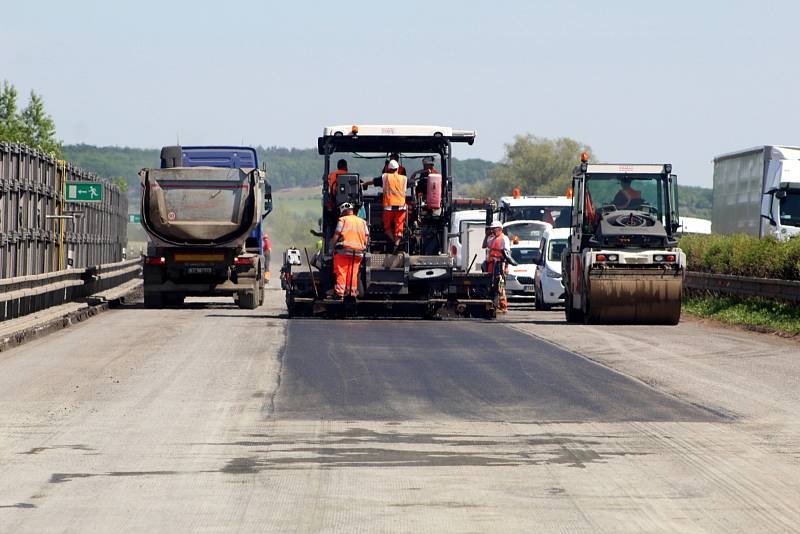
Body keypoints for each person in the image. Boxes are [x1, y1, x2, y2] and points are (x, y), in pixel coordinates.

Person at [366, 159, 409, 252]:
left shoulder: (385, 177)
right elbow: (411, 183)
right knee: (399, 228)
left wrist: (364, 184)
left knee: (387, 227)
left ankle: (394, 242)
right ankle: (396, 245)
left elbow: (374, 182)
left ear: (388, 169)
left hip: (388, 207)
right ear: (398, 169)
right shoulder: (404, 179)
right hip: (401, 207)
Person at [329, 202, 369, 298]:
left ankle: (339, 293)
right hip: (358, 252)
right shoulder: (362, 222)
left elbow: (337, 234)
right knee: (353, 272)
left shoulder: (342, 220)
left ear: (343, 211)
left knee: (341, 271)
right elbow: (366, 237)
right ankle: (351, 293)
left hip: (344, 251)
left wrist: (332, 247)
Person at [483, 221, 511, 312]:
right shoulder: (492, 238)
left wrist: (506, 267)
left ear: (499, 229)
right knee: (492, 285)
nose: (492, 231)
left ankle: (503, 306)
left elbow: (507, 254)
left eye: (493, 229)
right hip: (492, 265)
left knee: (500, 285)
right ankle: (495, 304)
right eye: (491, 230)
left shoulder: (504, 239)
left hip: (500, 265)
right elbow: (484, 245)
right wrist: (487, 235)